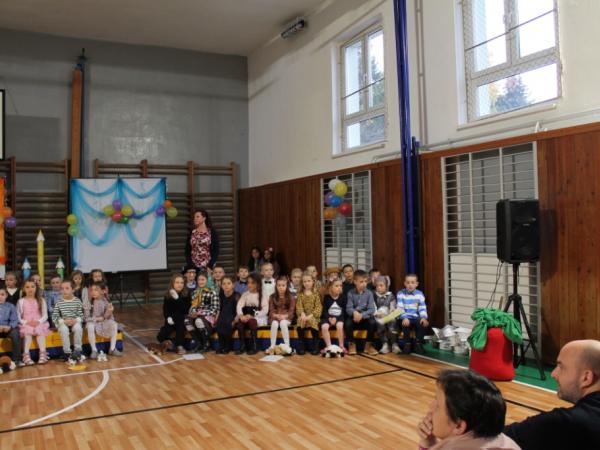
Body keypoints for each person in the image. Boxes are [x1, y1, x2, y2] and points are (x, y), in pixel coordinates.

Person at [504, 339, 600, 450]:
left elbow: (497, 439)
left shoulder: (563, 423)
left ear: (586, 377)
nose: (553, 374)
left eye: (561, 367)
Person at [417, 369, 521, 450]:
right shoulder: (500, 441)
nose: (430, 406)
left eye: (437, 405)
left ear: (459, 426)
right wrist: (429, 442)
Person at [17, 279, 50, 365]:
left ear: (36, 288)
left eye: (32, 286)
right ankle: (26, 355)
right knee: (27, 333)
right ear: (24, 289)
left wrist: (38, 321)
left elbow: (45, 315)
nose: (30, 289)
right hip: (27, 323)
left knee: (40, 331)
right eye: (27, 287)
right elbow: (18, 316)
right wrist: (25, 322)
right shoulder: (21, 301)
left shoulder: (41, 300)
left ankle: (43, 354)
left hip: (38, 322)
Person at [345, 270, 378, 356]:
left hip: (365, 317)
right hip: (354, 317)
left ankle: (369, 345)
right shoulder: (350, 293)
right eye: (361, 282)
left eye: (365, 281)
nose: (364, 284)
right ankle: (352, 344)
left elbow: (371, 309)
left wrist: (362, 315)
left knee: (372, 322)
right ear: (355, 282)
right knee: (348, 323)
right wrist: (354, 313)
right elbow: (349, 308)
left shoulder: (369, 293)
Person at [156, 274, 191, 355]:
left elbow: (185, 310)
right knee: (161, 335)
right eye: (177, 282)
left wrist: (177, 299)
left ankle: (180, 345)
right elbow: (166, 309)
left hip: (182, 318)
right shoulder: (168, 295)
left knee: (180, 326)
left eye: (182, 283)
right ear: (172, 283)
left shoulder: (187, 294)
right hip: (171, 318)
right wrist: (168, 317)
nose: (179, 284)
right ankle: (168, 342)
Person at [85, 282, 121, 358]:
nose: (93, 292)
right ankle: (94, 350)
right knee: (90, 326)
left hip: (104, 322)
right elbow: (86, 317)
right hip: (94, 322)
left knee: (114, 324)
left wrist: (109, 312)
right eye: (92, 290)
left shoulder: (106, 301)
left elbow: (109, 317)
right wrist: (96, 319)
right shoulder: (89, 302)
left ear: (103, 291)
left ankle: (112, 348)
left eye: (96, 290)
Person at [396, 273, 429, 354]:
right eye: (408, 283)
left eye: (412, 282)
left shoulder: (419, 294)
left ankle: (418, 343)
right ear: (405, 283)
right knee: (405, 324)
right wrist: (404, 317)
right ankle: (407, 344)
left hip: (415, 317)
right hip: (404, 317)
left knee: (422, 323)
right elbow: (400, 308)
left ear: (416, 284)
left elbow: (422, 307)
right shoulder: (401, 293)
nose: (410, 285)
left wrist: (424, 317)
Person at [53, 280, 85, 360]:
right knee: (64, 330)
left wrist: (76, 320)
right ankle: (67, 352)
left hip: (74, 321)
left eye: (67, 288)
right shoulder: (59, 302)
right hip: (64, 322)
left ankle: (78, 350)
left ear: (73, 290)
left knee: (78, 328)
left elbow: (81, 315)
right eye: (62, 288)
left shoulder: (77, 301)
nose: (64, 290)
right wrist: (63, 321)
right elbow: (55, 316)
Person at [188, 271, 219, 353]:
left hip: (208, 316)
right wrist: (194, 312)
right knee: (187, 321)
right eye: (199, 280)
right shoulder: (195, 292)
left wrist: (201, 313)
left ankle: (206, 343)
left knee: (198, 321)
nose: (200, 282)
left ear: (207, 280)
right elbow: (193, 306)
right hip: (197, 315)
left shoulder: (213, 292)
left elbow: (215, 309)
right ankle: (198, 342)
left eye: (203, 279)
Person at [235, 273, 266, 355]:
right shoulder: (245, 294)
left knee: (252, 321)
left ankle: (254, 346)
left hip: (258, 317)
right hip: (247, 316)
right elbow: (239, 305)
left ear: (258, 284)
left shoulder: (262, 295)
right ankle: (242, 346)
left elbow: (265, 310)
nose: (249, 285)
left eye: (252, 283)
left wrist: (253, 315)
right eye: (248, 282)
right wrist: (241, 315)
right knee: (240, 322)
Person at [295, 271, 322, 356]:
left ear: (313, 281)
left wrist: (311, 315)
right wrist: (302, 314)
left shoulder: (316, 294)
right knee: (300, 321)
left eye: (309, 281)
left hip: (313, 315)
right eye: (305, 281)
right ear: (302, 283)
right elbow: (299, 305)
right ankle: (301, 346)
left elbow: (318, 307)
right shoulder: (300, 294)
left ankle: (316, 346)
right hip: (303, 315)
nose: (307, 283)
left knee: (313, 321)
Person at [267, 276, 295, 353]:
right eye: (279, 285)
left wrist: (285, 316)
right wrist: (276, 315)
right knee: (274, 323)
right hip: (275, 317)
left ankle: (287, 345)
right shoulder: (272, 297)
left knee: (283, 323)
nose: (281, 287)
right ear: (276, 286)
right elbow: (271, 310)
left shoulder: (291, 297)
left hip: (287, 317)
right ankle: (272, 345)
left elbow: (291, 310)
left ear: (287, 286)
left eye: (283, 285)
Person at [373, 276, 399, 354]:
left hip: (388, 315)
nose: (379, 288)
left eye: (381, 285)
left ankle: (394, 344)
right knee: (380, 323)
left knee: (393, 321)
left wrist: (391, 311)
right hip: (379, 316)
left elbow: (393, 306)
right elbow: (373, 307)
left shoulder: (390, 295)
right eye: (377, 286)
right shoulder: (374, 295)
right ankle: (385, 344)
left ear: (386, 286)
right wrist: (377, 314)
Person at [0, 286, 24, 367]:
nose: (0, 297)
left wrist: (9, 327)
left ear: (6, 295)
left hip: (7, 329)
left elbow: (14, 320)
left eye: (2, 294)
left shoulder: (10, 306)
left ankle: (16, 359)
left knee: (15, 333)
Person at [320, 279, 346, 353]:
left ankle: (341, 346)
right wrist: (329, 318)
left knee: (340, 326)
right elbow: (324, 310)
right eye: (336, 286)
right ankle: (329, 346)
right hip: (328, 318)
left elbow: (343, 311)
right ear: (331, 287)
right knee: (324, 327)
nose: (339, 287)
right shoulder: (327, 297)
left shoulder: (343, 297)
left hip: (339, 317)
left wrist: (336, 318)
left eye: (340, 286)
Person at [216, 276, 239, 354]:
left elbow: (239, 310)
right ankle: (221, 346)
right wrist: (216, 318)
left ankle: (227, 346)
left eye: (229, 283)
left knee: (227, 322)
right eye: (224, 284)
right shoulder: (221, 295)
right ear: (221, 286)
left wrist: (235, 320)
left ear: (233, 285)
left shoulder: (236, 295)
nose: (226, 286)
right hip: (223, 315)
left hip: (233, 316)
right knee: (220, 322)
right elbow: (219, 309)